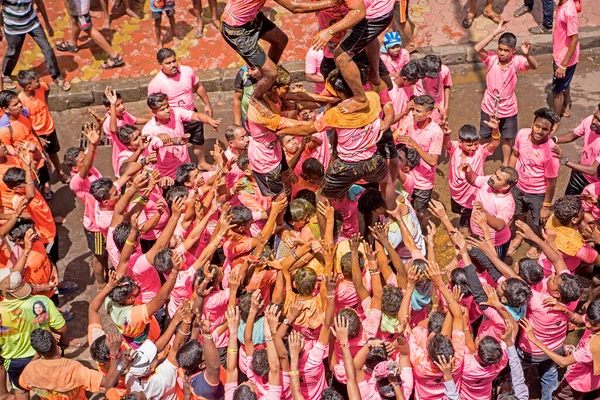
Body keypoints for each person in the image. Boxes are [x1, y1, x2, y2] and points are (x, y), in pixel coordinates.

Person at [474, 22, 538, 165]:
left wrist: (528, 55)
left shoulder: (517, 62)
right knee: (484, 134)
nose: (502, 53)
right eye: (500, 49)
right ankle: (479, 157)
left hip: (508, 107)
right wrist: (495, 32)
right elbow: (477, 48)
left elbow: (534, 66)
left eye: (506, 50)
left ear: (513, 51)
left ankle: (505, 162)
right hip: (489, 106)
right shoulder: (491, 59)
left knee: (508, 137)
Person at [0, 268, 66, 399]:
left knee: (21, 390)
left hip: (14, 361)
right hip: (43, 355)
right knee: (49, 388)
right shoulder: (42, 301)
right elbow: (62, 328)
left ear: (3, 291)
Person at [147, 48, 216, 171]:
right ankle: (178, 170)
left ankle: (202, 162)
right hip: (172, 122)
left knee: (199, 140)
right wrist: (157, 128)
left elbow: (198, 86)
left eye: (174, 61)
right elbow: (153, 107)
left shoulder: (187, 71)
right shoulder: (155, 84)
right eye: (168, 63)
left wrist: (207, 104)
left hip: (191, 115)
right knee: (174, 148)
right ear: (160, 64)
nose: (173, 65)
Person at [520, 297, 600, 399]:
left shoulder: (593, 346)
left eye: (592, 324)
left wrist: (534, 339)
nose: (587, 324)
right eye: (587, 319)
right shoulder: (595, 318)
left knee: (560, 397)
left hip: (578, 381)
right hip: (594, 380)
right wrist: (564, 309)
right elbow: (580, 319)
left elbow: (563, 362)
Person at [507, 108, 560, 258]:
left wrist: (546, 205)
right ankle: (518, 237)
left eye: (545, 129)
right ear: (532, 123)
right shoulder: (522, 134)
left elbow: (552, 182)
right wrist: (510, 178)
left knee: (539, 222)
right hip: (518, 186)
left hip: (538, 192)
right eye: (537, 126)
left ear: (550, 131)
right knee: (518, 214)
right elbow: (515, 155)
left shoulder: (551, 152)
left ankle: (539, 244)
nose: (539, 131)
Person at [19, 329, 127, 398]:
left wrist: (38, 355)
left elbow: (22, 384)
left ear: (37, 351)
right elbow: (110, 383)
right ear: (56, 342)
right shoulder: (73, 369)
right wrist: (114, 354)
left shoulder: (29, 370)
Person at [17, 70, 71, 199]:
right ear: (29, 87)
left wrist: (45, 103)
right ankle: (46, 184)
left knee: (53, 152)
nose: (39, 82)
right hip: (37, 135)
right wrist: (38, 139)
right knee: (42, 160)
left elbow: (47, 88)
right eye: (36, 81)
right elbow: (26, 122)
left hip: (49, 128)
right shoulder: (21, 102)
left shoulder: (41, 87)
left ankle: (60, 172)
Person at [141, 92, 220, 179]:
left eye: (167, 106)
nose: (167, 110)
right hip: (167, 174)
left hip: (185, 165)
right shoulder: (148, 130)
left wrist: (210, 121)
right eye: (162, 109)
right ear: (153, 112)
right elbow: (151, 147)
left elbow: (196, 116)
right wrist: (176, 141)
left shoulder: (176, 112)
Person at [0, 0, 70, 91]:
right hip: (13, 27)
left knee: (48, 49)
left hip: (32, 23)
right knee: (13, 52)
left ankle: (56, 76)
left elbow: (40, 3)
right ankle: (6, 74)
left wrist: (47, 24)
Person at [445, 120, 500, 235]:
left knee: (465, 222)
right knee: (460, 213)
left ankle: (464, 239)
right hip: (456, 192)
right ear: (460, 142)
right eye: (469, 145)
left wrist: (495, 130)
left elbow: (494, 143)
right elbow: (447, 144)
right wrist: (446, 135)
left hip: (471, 196)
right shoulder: (455, 148)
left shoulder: (480, 152)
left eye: (476, 144)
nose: (473, 148)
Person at [396, 95, 443, 220]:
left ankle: (425, 235)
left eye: (418, 111)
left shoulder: (436, 132)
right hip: (407, 177)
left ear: (428, 114)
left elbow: (433, 161)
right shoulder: (410, 120)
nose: (414, 114)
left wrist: (415, 145)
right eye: (413, 110)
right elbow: (397, 136)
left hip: (423, 182)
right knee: (404, 209)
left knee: (420, 214)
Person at [463, 165, 518, 260]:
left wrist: (483, 211)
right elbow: (474, 179)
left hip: (495, 244)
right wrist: (468, 172)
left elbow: (499, 225)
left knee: (494, 267)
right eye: (495, 174)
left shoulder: (507, 203)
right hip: (477, 236)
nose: (492, 177)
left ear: (506, 186)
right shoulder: (489, 181)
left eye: (498, 178)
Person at [56, 0, 124, 69]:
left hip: (79, 7)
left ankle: (114, 56)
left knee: (89, 29)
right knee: (75, 20)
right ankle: (72, 43)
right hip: (79, 5)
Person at [100, 86, 150, 177]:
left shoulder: (123, 114)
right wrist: (113, 104)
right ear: (109, 110)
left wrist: (150, 120)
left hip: (134, 149)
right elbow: (114, 129)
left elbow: (134, 120)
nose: (122, 107)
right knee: (126, 172)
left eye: (122, 103)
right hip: (123, 154)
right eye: (117, 105)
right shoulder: (108, 122)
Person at [553, 105, 600, 195]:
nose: (594, 121)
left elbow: (593, 170)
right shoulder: (589, 120)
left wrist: (564, 160)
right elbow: (572, 136)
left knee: (587, 208)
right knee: (567, 204)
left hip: (595, 185)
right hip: (579, 174)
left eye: (599, 121)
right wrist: (553, 139)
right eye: (595, 116)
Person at [552, 0, 579, 118]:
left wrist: (563, 65)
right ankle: (566, 107)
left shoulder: (569, 11)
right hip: (561, 55)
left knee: (557, 90)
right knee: (565, 83)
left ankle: (555, 119)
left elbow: (574, 39)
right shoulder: (562, 4)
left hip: (564, 59)